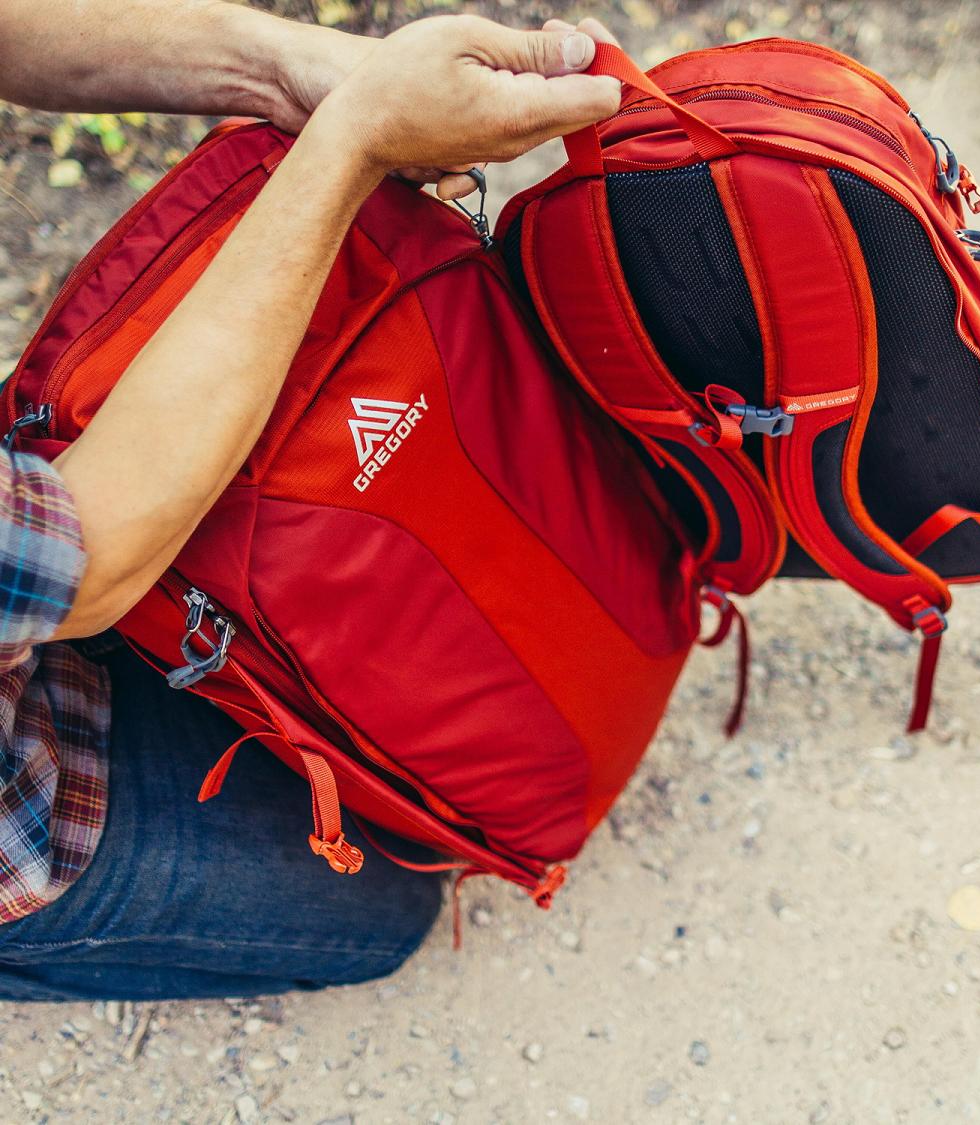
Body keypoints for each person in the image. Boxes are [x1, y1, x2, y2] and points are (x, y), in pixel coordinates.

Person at [0, 0, 620, 1001]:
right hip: (31, 779)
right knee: (380, 915)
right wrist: (352, 141)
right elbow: (82, 564)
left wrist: (277, 70)